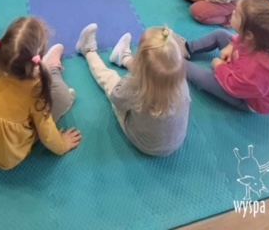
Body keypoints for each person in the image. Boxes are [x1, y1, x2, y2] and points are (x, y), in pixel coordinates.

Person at [0, 17, 81, 169]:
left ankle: (50, 66)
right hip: (10, 155)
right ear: (36, 59)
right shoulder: (35, 90)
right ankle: (52, 67)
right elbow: (47, 133)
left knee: (50, 94)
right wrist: (62, 145)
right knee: (63, 97)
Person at [180, 0, 269, 113]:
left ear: (249, 35)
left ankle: (178, 62)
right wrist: (233, 45)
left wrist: (219, 65)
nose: (233, 12)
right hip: (243, 69)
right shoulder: (266, 40)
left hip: (247, 99)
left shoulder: (256, 70)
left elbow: (233, 86)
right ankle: (188, 48)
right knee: (221, 34)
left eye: (237, 14)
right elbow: (242, 39)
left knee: (202, 75)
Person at [75, 23, 190, 156]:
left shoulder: (135, 90)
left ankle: (87, 51)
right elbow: (154, 74)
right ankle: (123, 57)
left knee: (110, 79)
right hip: (175, 142)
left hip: (144, 144)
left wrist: (132, 78)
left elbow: (116, 98)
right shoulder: (179, 81)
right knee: (154, 74)